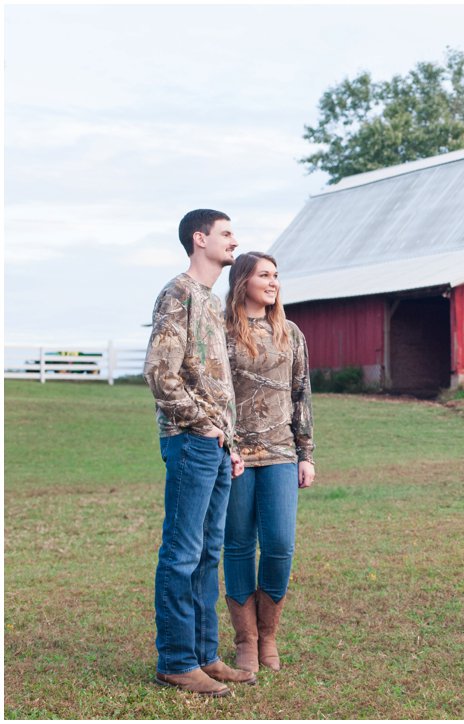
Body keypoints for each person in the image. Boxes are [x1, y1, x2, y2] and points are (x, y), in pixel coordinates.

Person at [144, 209, 256, 696]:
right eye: (226, 233)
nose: (235, 241)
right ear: (199, 238)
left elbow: (214, 382)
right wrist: (204, 426)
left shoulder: (211, 301)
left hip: (214, 445)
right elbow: (159, 372)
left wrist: (228, 441)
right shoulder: (178, 293)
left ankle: (205, 656)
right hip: (190, 440)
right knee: (182, 552)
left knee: (208, 554)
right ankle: (175, 661)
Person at [222, 251, 315, 674]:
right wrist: (225, 445)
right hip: (235, 455)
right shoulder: (223, 331)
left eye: (276, 275)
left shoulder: (290, 332)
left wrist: (306, 453)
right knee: (239, 544)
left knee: (279, 544)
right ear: (243, 281)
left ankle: (269, 634)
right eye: (264, 275)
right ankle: (246, 640)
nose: (273, 281)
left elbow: (301, 393)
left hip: (281, 453)